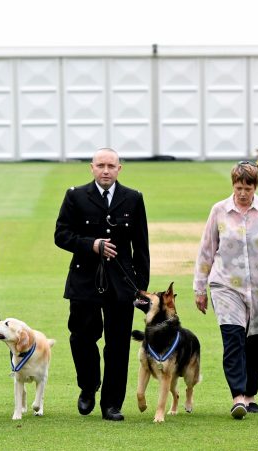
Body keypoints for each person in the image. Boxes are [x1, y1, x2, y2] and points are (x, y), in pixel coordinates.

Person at [54, 147, 149, 421]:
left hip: (121, 283)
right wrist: (91, 244)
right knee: (82, 338)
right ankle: (88, 385)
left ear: (120, 168)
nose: (105, 170)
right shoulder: (75, 196)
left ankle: (112, 404)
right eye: (100, 165)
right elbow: (61, 235)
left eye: (111, 166)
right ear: (91, 168)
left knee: (118, 345)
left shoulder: (133, 198)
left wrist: (140, 286)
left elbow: (141, 246)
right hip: (85, 280)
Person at [193, 160, 258, 419]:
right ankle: (238, 396)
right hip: (225, 284)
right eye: (238, 187)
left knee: (257, 340)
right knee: (233, 337)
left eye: (248, 187)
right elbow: (206, 250)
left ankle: (250, 394)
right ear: (233, 185)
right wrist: (200, 288)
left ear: (256, 186)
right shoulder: (219, 211)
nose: (243, 192)